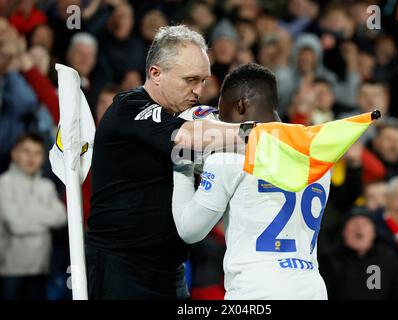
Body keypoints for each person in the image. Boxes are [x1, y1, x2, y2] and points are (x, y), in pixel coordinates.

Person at [85, 25, 243, 300]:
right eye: (190, 79)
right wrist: (266, 134)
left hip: (171, 272)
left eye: (203, 80)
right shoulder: (130, 106)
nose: (198, 90)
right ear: (156, 74)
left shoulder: (190, 115)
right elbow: (189, 139)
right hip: (120, 270)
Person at [172, 63, 330, 299]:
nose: (222, 124)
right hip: (312, 286)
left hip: (256, 288)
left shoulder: (228, 158)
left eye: (222, 113)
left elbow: (189, 230)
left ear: (240, 105)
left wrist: (181, 167)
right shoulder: (315, 155)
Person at [0, 133, 67, 300]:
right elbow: (15, 224)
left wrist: (26, 212)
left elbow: (61, 217)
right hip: (10, 269)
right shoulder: (4, 183)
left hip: (41, 268)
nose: (31, 157)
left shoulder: (47, 186)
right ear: (14, 154)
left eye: (37, 153)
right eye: (26, 151)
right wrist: (44, 216)